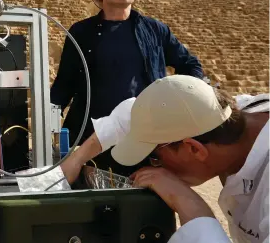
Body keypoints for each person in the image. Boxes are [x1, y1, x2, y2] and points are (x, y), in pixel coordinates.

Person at [60, 75, 268, 243]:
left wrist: (188, 202)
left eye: (155, 158)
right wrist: (77, 159)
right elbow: (137, 112)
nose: (153, 166)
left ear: (194, 149)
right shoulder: (225, 114)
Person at [50, 0, 204, 175]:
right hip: (91, 141)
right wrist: (48, 126)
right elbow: (64, 85)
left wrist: (184, 101)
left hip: (145, 141)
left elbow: (190, 65)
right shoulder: (81, 32)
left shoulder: (156, 30)